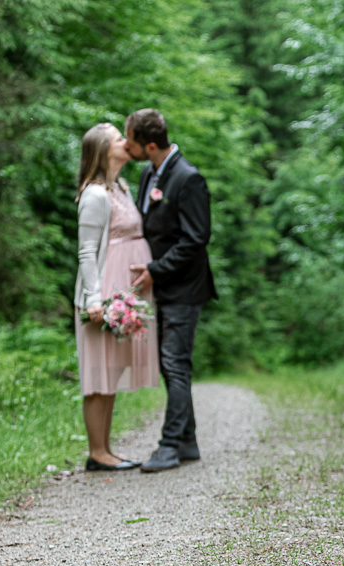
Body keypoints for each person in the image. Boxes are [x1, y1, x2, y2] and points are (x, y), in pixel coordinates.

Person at [123, 108, 217, 473]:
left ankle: (169, 447)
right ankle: (188, 441)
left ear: (148, 144)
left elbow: (196, 239)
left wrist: (155, 270)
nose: (125, 145)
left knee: (175, 364)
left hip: (184, 287)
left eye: (129, 139)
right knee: (170, 364)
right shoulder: (149, 172)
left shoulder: (188, 178)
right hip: (159, 286)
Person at [74, 123, 160, 471]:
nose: (126, 142)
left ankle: (106, 450)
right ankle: (97, 453)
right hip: (104, 291)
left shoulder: (120, 187)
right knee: (98, 375)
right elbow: (86, 251)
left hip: (125, 290)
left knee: (110, 372)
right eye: (117, 138)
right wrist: (95, 299)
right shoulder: (95, 194)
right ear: (103, 150)